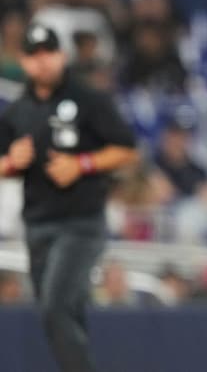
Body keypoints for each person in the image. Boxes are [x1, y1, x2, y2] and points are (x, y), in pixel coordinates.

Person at [0, 23, 139, 372]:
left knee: (55, 307)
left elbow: (127, 150)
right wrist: (10, 163)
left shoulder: (88, 99)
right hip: (37, 223)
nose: (41, 61)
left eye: (48, 52)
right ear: (24, 61)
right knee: (64, 313)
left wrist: (83, 163)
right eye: (33, 55)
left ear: (62, 55)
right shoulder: (17, 112)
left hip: (81, 222)